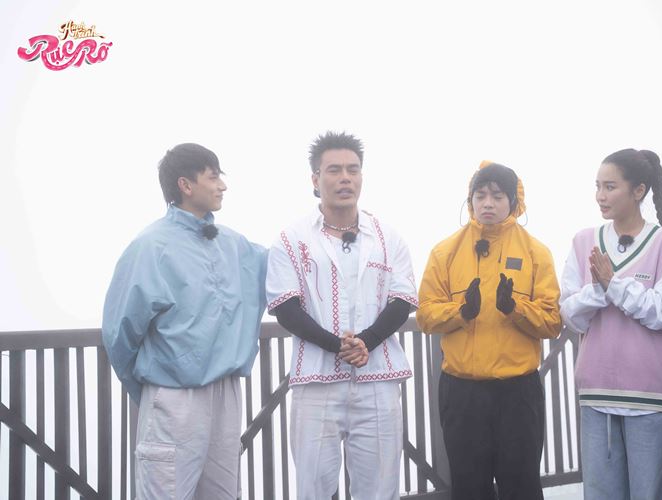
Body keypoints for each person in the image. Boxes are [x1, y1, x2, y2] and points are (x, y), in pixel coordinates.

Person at [102, 143, 267, 499]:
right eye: (214, 177)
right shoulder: (150, 246)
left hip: (226, 392)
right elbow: (120, 333)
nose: (222, 185)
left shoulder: (235, 244)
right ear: (186, 185)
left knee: (224, 493)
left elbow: (286, 273)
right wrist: (153, 390)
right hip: (173, 397)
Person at [265, 131, 418, 500]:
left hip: (378, 377)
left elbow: (402, 300)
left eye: (353, 169)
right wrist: (339, 346)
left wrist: (367, 342)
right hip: (316, 380)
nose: (345, 178)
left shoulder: (388, 237)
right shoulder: (291, 238)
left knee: (380, 488)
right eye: (334, 170)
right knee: (313, 487)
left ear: (362, 176)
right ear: (315, 179)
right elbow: (286, 307)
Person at [417, 161, 561, 500]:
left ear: (514, 201)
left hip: (518, 392)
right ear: (470, 201)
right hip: (462, 392)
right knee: (469, 487)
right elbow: (425, 315)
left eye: (497, 196)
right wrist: (462, 312)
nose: (488, 204)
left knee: (521, 486)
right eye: (480, 195)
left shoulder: (536, 252)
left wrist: (514, 308)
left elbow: (553, 322)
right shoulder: (445, 252)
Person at [560, 149, 662, 500]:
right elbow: (569, 313)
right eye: (598, 186)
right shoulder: (584, 241)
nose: (600, 195)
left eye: (610, 187)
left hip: (652, 396)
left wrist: (613, 284)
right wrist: (600, 290)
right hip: (596, 394)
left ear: (638, 190)